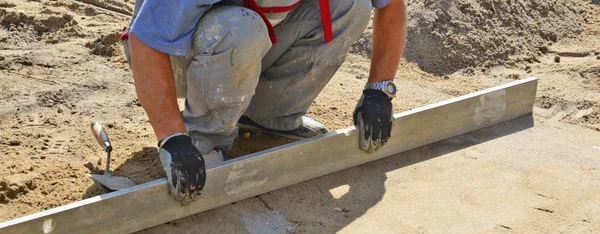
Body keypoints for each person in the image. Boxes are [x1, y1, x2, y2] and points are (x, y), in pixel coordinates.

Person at [123, 0, 407, 204]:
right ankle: (202, 141)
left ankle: (268, 117)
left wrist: (379, 90)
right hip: (171, 57)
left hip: (245, 32)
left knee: (350, 4)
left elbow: (391, 4)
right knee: (242, 28)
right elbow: (146, 39)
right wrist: (173, 138)